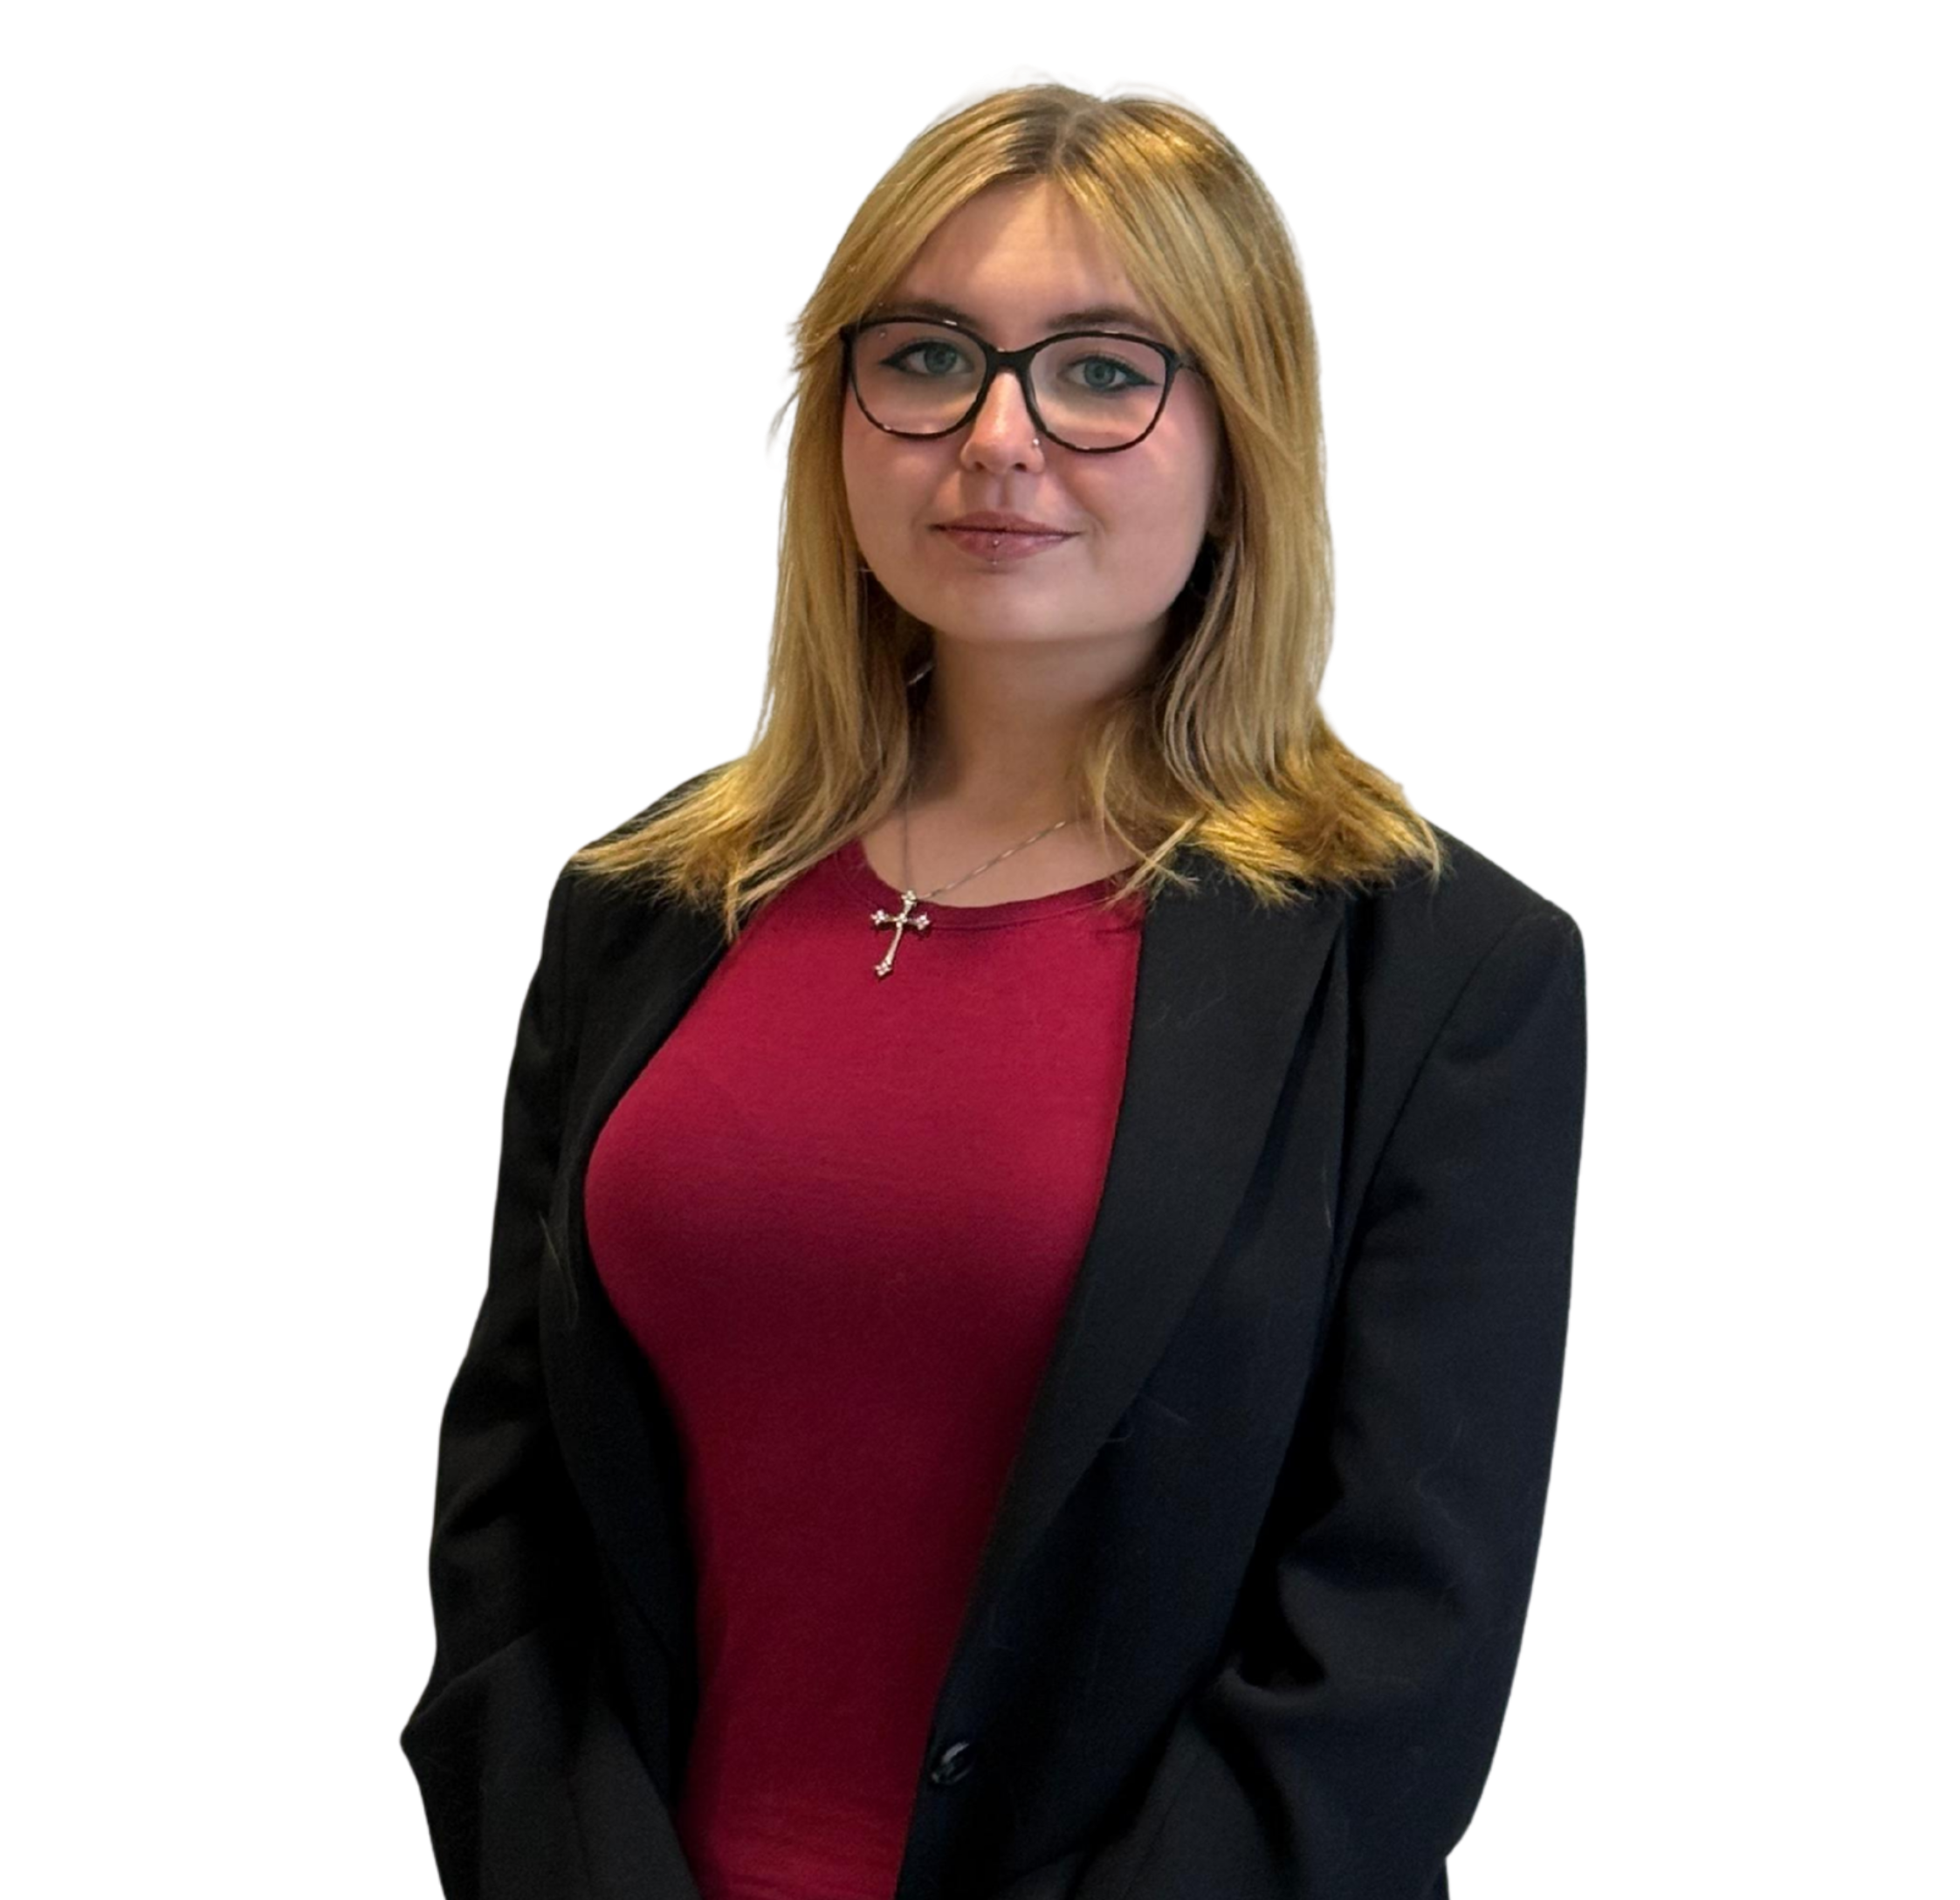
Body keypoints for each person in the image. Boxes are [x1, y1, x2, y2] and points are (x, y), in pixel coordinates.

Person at [399, 65, 1588, 1900]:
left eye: (1104, 370)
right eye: (929, 356)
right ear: (829, 417)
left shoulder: (1443, 969)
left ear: (1247, 442)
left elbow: (1390, 1662)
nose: (998, 437)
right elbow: (507, 1514)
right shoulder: (634, 908)